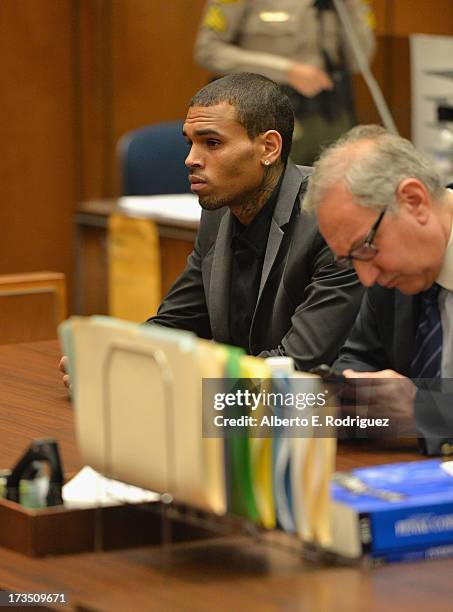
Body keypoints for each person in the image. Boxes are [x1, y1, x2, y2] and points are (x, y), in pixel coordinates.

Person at [303, 124, 453, 454]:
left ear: (414, 201)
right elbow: (358, 360)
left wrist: (426, 412)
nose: (367, 278)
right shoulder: (392, 271)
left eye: (366, 248)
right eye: (350, 260)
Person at [194, 0, 375, 165]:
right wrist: (287, 71)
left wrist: (353, 6)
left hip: (331, 118)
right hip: (271, 118)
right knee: (275, 196)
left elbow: (359, 61)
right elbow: (209, 51)